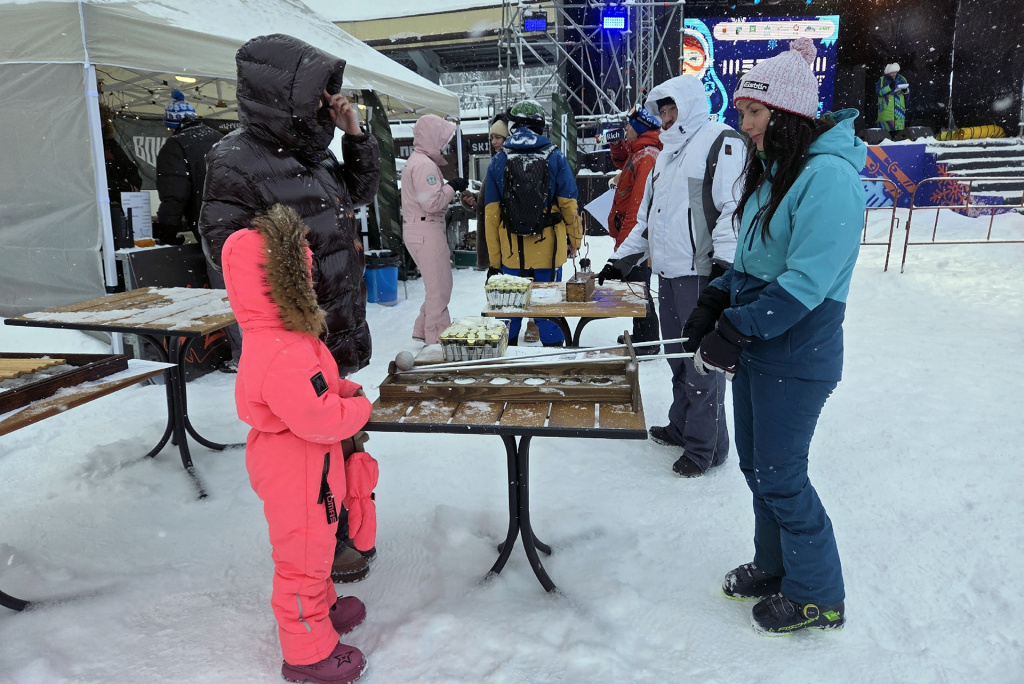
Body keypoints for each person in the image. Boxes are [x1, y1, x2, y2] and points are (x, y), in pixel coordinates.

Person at [684, 37, 865, 633]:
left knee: (782, 475)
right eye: (742, 112)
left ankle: (817, 594)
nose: (745, 125)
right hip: (762, 348)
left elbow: (806, 280)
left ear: (784, 115)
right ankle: (774, 565)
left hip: (798, 351)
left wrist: (736, 327)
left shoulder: (828, 179)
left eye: (753, 113)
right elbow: (758, 263)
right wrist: (718, 297)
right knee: (758, 468)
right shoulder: (778, 175)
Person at [199, 33, 380, 583]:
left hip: (337, 323)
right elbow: (224, 247)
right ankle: (316, 556)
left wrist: (356, 138)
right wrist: (288, 256)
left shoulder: (314, 150)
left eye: (330, 91)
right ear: (285, 91)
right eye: (320, 91)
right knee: (309, 466)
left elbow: (358, 197)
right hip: (292, 343)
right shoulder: (233, 159)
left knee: (344, 444)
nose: (329, 100)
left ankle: (349, 527)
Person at [221, 203, 374, 684]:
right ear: (280, 285)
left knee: (316, 546)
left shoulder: (288, 338)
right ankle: (307, 649)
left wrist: (343, 391)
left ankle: (321, 607)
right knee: (302, 558)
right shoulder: (281, 348)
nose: (310, 283)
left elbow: (318, 389)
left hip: (307, 462)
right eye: (301, 277)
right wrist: (357, 410)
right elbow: (316, 415)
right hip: (297, 465)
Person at [597, 74, 745, 477]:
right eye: (661, 110)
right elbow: (646, 221)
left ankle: (706, 447)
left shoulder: (719, 141)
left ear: (690, 104)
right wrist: (621, 261)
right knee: (679, 359)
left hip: (701, 275)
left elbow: (731, 212)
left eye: (671, 108)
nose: (665, 116)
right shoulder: (666, 153)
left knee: (701, 363)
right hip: (668, 273)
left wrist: (722, 272)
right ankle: (683, 426)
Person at [484, 100, 583, 347]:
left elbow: (491, 215)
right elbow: (569, 205)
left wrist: (495, 262)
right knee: (548, 308)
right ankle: (552, 358)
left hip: (511, 251)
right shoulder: (555, 156)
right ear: (541, 126)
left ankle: (507, 364)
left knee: (509, 310)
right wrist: (575, 241)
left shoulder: (499, 160)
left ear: (513, 127)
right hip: (548, 249)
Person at [401, 114, 467, 344]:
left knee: (435, 285)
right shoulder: (423, 165)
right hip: (426, 230)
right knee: (439, 287)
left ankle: (423, 328)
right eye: (442, 138)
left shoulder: (418, 161)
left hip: (419, 230)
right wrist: (452, 187)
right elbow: (432, 202)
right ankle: (437, 340)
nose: (445, 144)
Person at [606, 106, 663, 353]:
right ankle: (642, 336)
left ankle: (647, 342)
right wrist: (618, 144)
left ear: (639, 128)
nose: (625, 128)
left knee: (639, 289)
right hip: (632, 236)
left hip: (636, 238)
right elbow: (623, 160)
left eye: (629, 125)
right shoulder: (640, 151)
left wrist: (626, 246)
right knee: (637, 287)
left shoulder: (647, 156)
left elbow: (639, 206)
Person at [153, 90, 224, 247]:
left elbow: (175, 195)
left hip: (205, 223)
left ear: (172, 126)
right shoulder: (220, 138)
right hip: (234, 221)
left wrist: (167, 233)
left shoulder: (175, 146)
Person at [97, 103, 141, 243]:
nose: (102, 124)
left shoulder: (111, 144)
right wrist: (122, 185)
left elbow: (132, 173)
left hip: (117, 211)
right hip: (98, 214)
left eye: (103, 121)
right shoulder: (84, 145)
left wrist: (128, 186)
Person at [876, 63, 909, 138]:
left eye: (895, 72)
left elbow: (907, 92)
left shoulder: (901, 78)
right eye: (892, 72)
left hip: (899, 110)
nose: (894, 74)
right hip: (886, 108)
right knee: (886, 134)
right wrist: (889, 87)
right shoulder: (882, 80)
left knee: (899, 134)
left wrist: (905, 90)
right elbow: (878, 92)